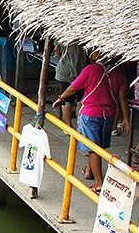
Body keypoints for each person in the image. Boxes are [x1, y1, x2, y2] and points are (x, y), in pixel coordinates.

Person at [52, 52, 131, 193]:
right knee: (98, 146)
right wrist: (126, 118)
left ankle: (99, 182)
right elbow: (123, 97)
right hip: (109, 115)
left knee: (93, 147)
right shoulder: (119, 74)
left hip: (91, 113)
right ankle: (89, 171)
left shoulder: (92, 69)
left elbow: (73, 87)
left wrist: (61, 98)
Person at [54, 43, 87, 128]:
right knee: (80, 100)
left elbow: (57, 50)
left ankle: (68, 126)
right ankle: (80, 126)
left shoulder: (62, 35)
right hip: (81, 71)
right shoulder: (83, 37)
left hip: (65, 72)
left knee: (65, 101)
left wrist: (61, 60)